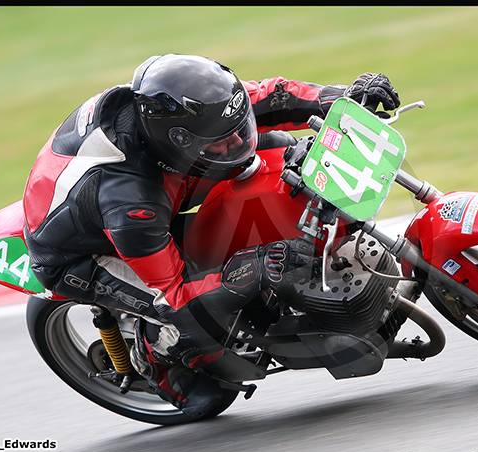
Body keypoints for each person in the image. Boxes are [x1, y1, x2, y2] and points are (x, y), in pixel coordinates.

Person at [23, 54, 400, 416]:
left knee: (285, 159)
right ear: (180, 141)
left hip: (164, 187)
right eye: (221, 139)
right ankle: (156, 357)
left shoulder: (194, 110)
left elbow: (272, 97)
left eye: (237, 130)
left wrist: (340, 98)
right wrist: (252, 269)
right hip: (87, 253)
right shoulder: (131, 201)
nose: (236, 142)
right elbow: (173, 295)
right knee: (198, 324)